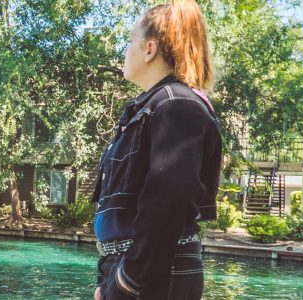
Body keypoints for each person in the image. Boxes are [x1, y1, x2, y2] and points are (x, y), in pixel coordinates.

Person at [91, 0, 222, 299]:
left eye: (130, 41)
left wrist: (127, 282)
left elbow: (169, 200)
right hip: (137, 268)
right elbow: (120, 209)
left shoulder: (178, 106)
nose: (125, 50)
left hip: (156, 274)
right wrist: (106, 276)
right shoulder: (152, 108)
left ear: (149, 49)